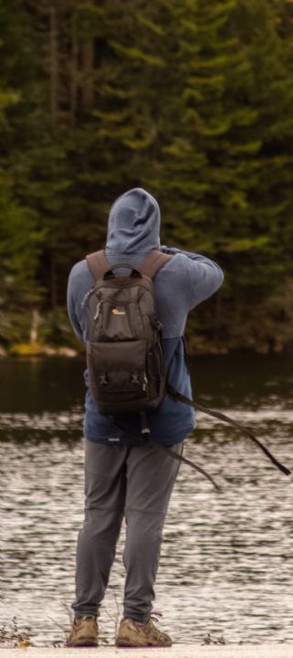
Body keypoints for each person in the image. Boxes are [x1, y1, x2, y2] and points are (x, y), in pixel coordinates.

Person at [65, 187, 223, 648]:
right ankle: (135, 622)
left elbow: (83, 334)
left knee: (97, 517)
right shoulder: (175, 271)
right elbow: (215, 271)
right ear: (154, 227)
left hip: (102, 415)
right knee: (145, 519)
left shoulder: (84, 271)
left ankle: (84, 621)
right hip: (163, 417)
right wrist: (165, 251)